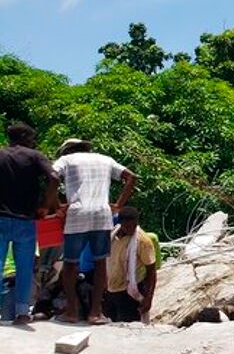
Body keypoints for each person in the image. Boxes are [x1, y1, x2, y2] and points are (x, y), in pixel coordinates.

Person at [52, 139, 135, 324]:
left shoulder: (66, 160)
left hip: (77, 213)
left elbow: (52, 176)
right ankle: (96, 313)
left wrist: (56, 205)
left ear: (68, 150)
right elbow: (131, 177)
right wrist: (119, 205)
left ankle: (71, 312)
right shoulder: (105, 159)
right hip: (101, 213)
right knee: (100, 263)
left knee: (70, 264)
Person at [0, 123, 59, 325]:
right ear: (25, 137)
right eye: (32, 137)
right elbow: (54, 177)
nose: (33, 141)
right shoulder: (35, 156)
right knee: (24, 267)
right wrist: (45, 206)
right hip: (26, 220)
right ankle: (22, 314)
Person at [103, 206, 156, 323]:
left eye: (133, 225)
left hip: (130, 293)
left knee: (128, 328)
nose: (131, 229)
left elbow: (151, 271)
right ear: (120, 223)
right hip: (111, 290)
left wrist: (148, 298)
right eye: (127, 226)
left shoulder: (143, 241)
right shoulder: (111, 235)